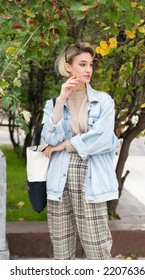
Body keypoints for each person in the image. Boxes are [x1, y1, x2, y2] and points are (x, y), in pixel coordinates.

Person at [41, 42, 119, 260]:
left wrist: (64, 145)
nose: (88, 70)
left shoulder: (103, 101)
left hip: (90, 174)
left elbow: (102, 139)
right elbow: (49, 138)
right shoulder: (52, 104)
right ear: (68, 67)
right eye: (82, 64)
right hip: (59, 175)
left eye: (91, 65)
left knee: (97, 246)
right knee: (61, 246)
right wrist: (61, 100)